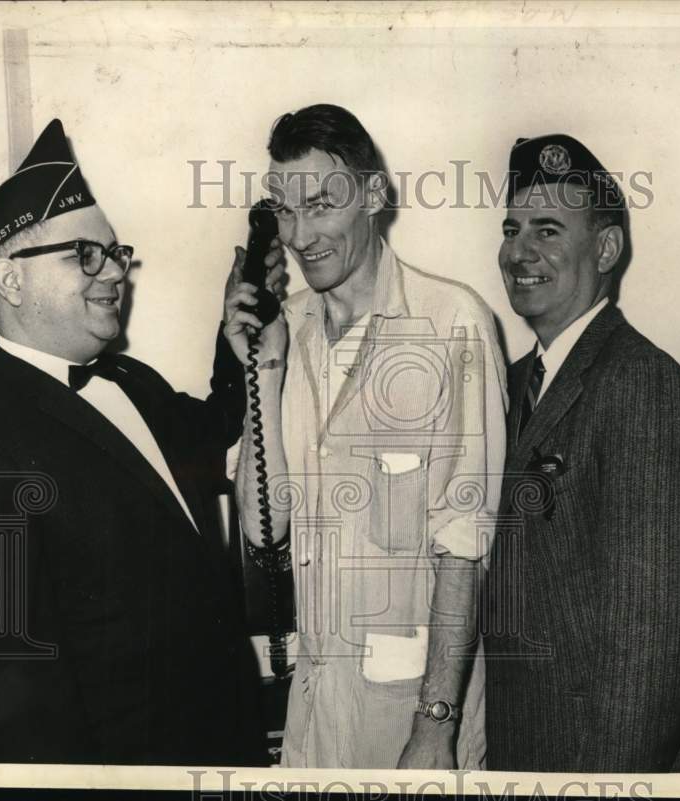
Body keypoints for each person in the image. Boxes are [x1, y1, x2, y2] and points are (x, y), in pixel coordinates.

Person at [0, 119, 269, 765]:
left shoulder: (129, 378)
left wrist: (233, 338)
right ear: (10, 280)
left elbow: (213, 431)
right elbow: (12, 698)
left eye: (116, 252)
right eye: (84, 254)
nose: (115, 272)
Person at [228, 104, 507, 769]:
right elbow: (264, 530)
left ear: (374, 196)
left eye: (322, 204)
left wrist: (436, 726)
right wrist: (260, 365)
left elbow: (464, 546)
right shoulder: (286, 331)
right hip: (315, 718)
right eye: (285, 211)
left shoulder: (452, 322)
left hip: (412, 718)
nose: (301, 235)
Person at [481, 134, 680, 772]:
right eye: (512, 227)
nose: (519, 251)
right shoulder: (514, 379)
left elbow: (652, 645)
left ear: (606, 248)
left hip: (590, 760)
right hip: (513, 750)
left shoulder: (641, 382)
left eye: (548, 231)